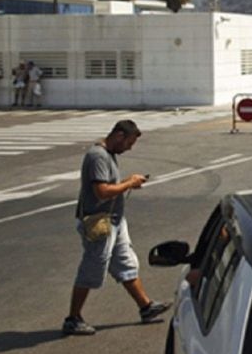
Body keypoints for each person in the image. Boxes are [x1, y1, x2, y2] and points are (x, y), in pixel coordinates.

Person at [63, 119, 171, 335]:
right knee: (92, 266)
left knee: (125, 262)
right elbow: (101, 192)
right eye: (129, 143)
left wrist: (128, 183)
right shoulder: (98, 156)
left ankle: (146, 307)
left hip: (114, 220)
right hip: (99, 223)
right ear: (119, 136)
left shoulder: (108, 155)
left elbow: (109, 187)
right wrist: (129, 183)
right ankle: (73, 318)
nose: (129, 148)